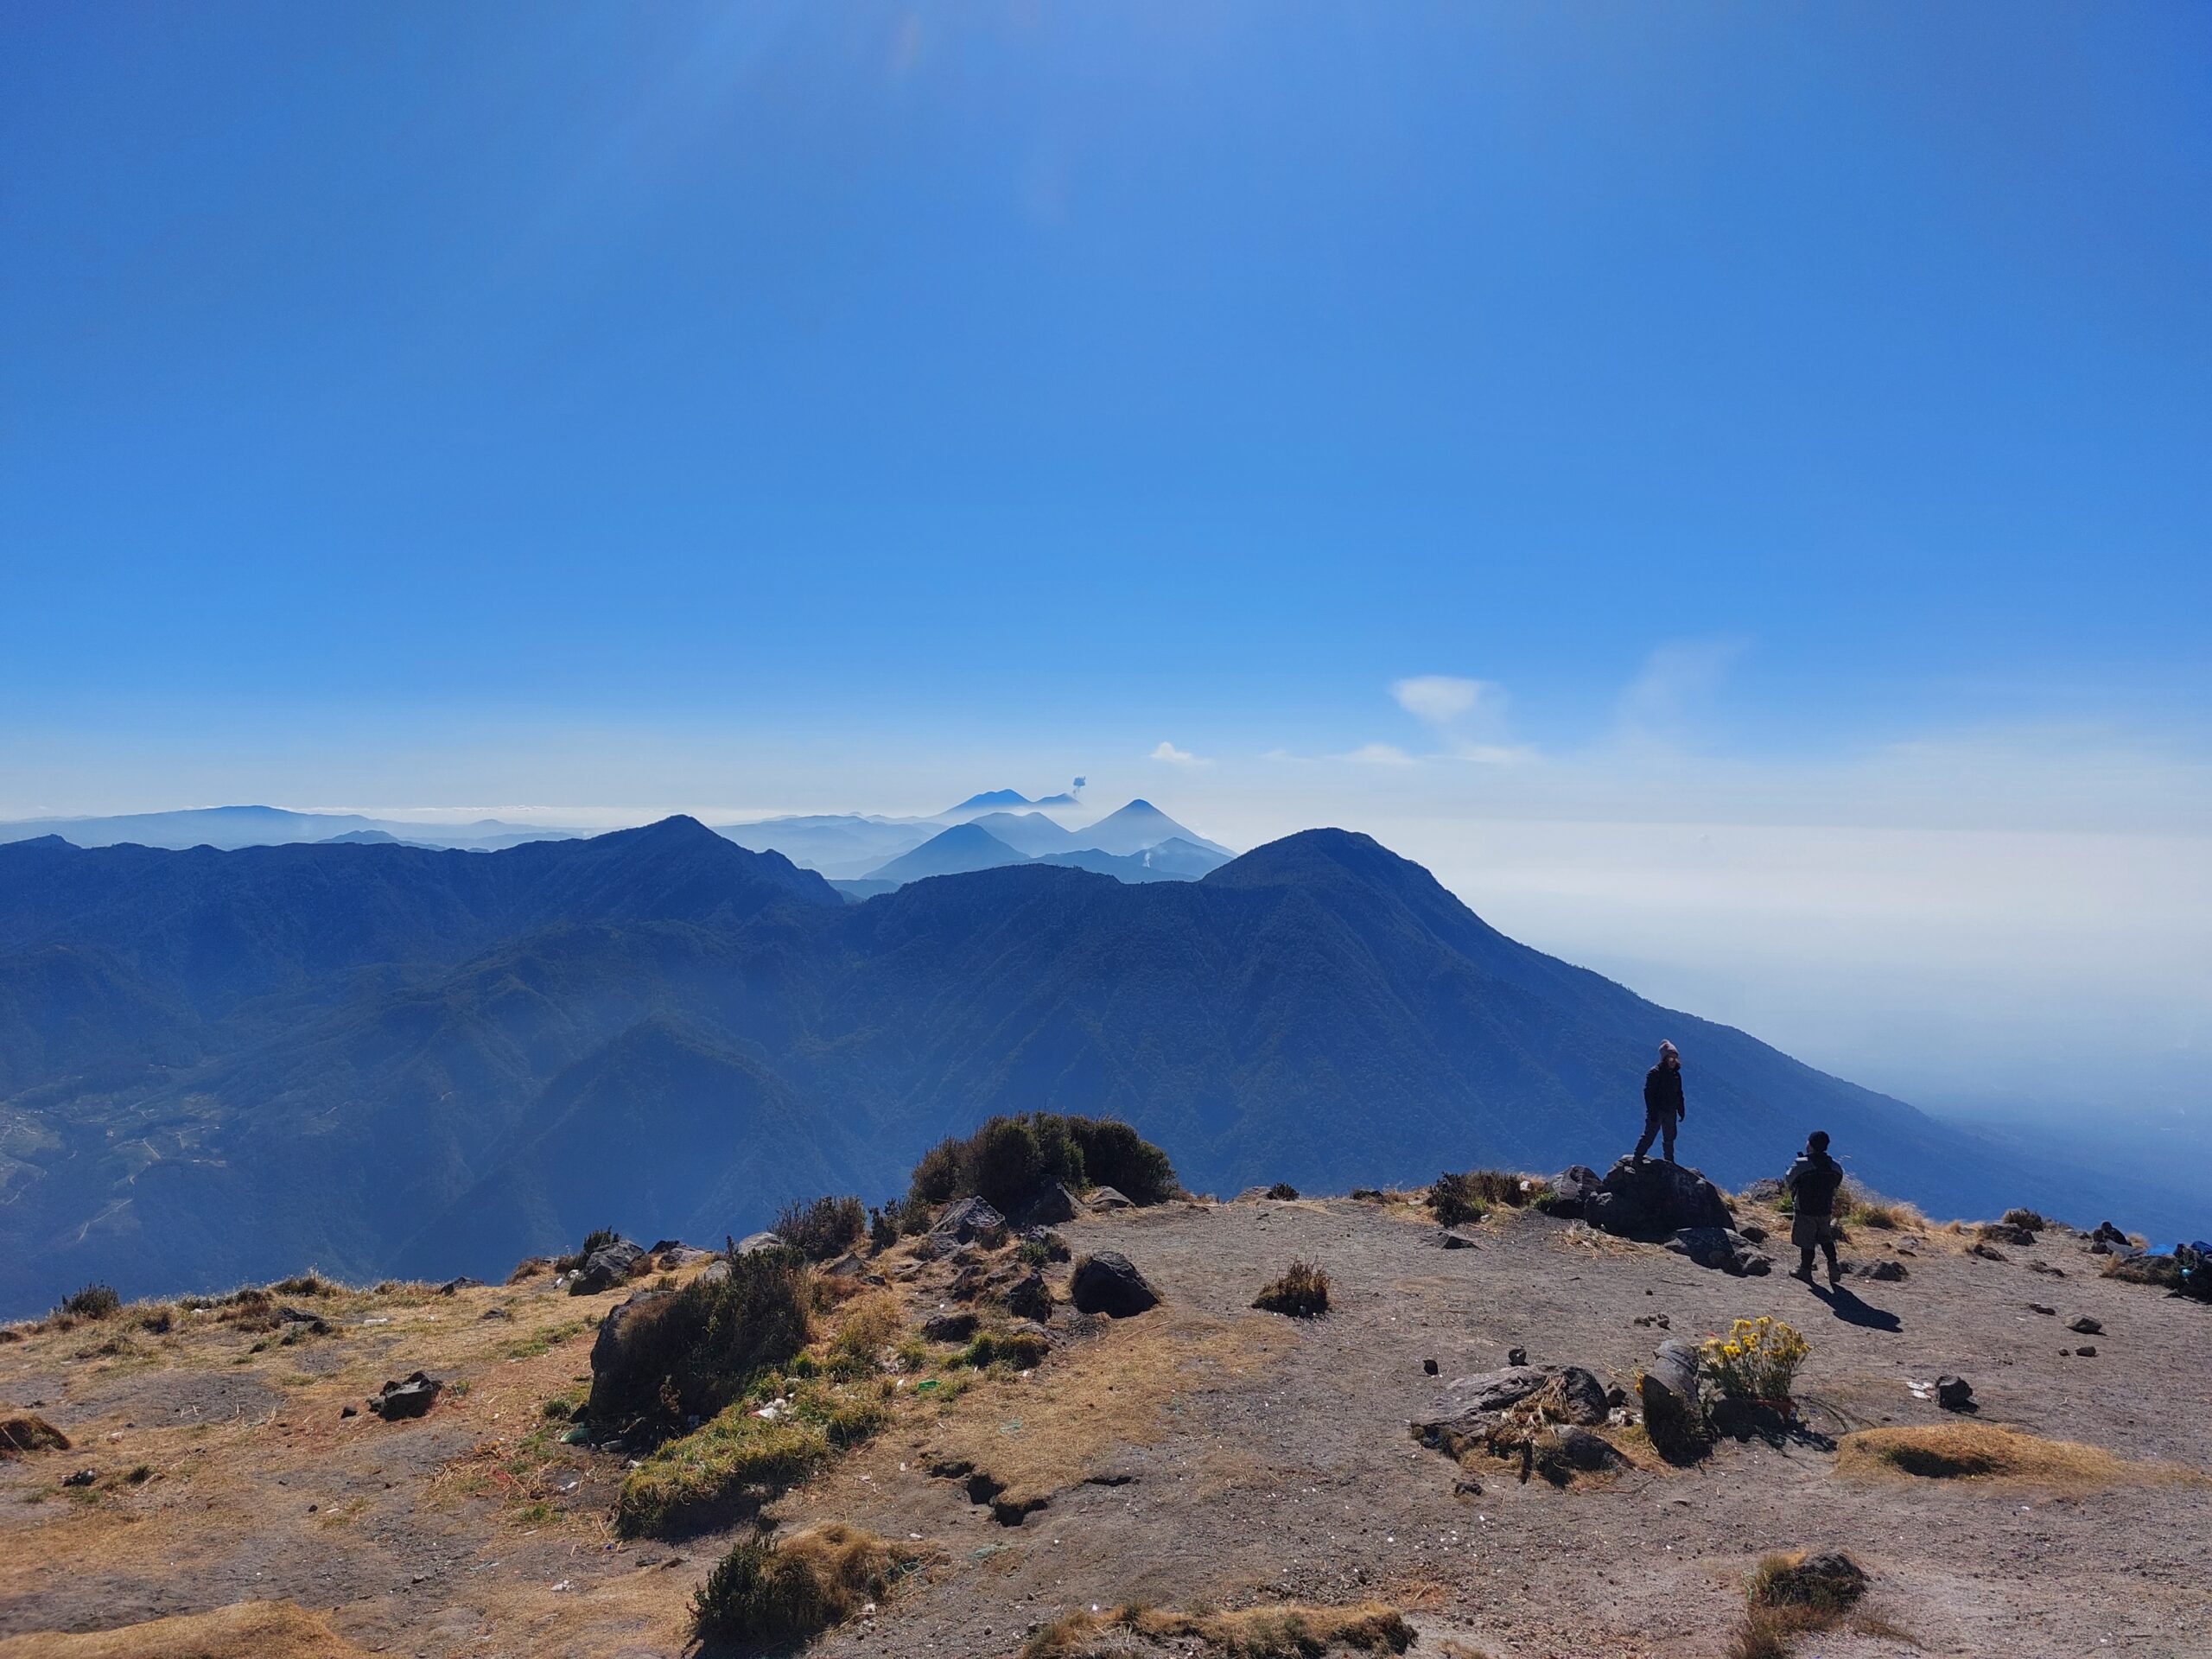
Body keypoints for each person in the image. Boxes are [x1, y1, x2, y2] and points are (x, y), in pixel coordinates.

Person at [1783, 1130, 1846, 1286]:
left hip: (1805, 1208)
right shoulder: (1835, 1167)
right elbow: (1837, 1183)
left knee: (1807, 1240)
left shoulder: (1802, 1164)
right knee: (1826, 1237)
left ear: (1810, 1145)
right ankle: (1833, 1267)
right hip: (1825, 1209)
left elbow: (1789, 1180)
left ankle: (1805, 1270)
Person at [1635, 1039, 1684, 1162]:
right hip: (1657, 1111)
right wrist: (1652, 1111)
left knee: (1670, 1138)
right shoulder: (1655, 1073)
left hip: (1671, 1111)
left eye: (1675, 1058)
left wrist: (1681, 1109)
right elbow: (1648, 1093)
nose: (1673, 1061)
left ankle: (1669, 1162)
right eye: (1671, 1058)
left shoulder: (1676, 1075)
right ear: (1664, 1058)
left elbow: (1679, 1093)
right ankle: (1637, 1159)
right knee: (1649, 1136)